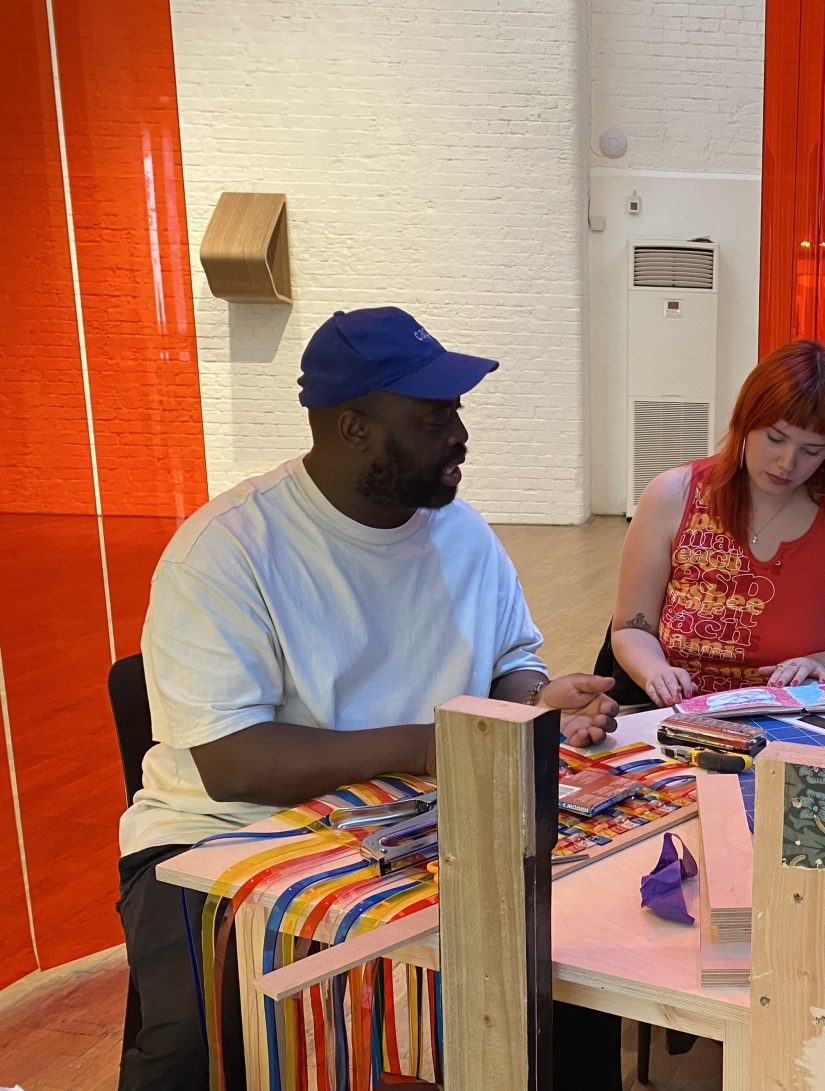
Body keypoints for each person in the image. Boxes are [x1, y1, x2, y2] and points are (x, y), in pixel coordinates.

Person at [116, 307, 621, 1091]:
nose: (458, 435)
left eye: (455, 411)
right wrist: (433, 745)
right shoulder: (226, 552)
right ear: (352, 429)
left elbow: (510, 662)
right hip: (220, 841)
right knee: (201, 1046)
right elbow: (234, 763)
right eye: (431, 418)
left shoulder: (463, 537)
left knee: (557, 981)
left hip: (406, 821)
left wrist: (539, 696)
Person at [611, 339, 825, 705]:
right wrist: (656, 672)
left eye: (812, 451)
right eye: (775, 438)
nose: (786, 463)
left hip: (789, 721)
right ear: (745, 421)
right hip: (679, 715)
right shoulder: (673, 497)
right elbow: (630, 628)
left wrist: (818, 664)